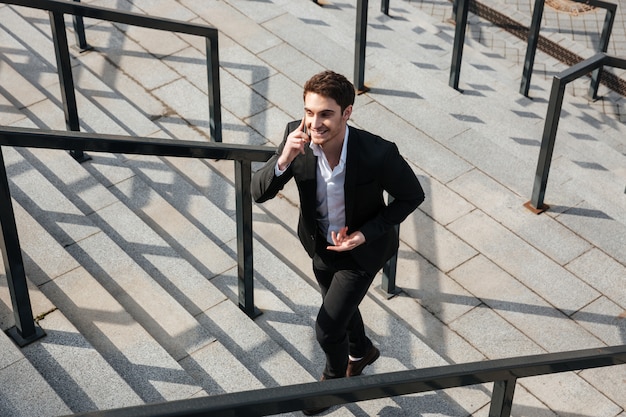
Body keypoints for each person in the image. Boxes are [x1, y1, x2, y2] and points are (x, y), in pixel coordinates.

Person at [251, 70, 425, 414]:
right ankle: (362, 351)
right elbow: (258, 192)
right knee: (340, 306)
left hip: (362, 253)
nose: (315, 123)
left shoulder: (378, 153)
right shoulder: (294, 136)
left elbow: (411, 196)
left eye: (326, 114)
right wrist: (283, 159)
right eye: (309, 112)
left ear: (347, 112)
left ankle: (334, 382)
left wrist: (365, 233)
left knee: (328, 329)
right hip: (319, 247)